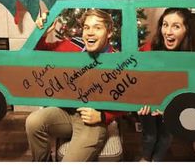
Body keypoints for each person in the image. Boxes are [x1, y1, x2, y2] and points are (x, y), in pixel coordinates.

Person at [26, 9, 125, 162]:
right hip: (67, 113)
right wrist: (42, 32)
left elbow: (129, 101)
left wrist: (103, 116)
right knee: (33, 122)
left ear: (109, 32)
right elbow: (40, 52)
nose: (90, 32)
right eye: (86, 27)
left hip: (93, 121)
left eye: (97, 27)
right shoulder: (73, 45)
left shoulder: (118, 61)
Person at [138, 7, 195, 162]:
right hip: (147, 105)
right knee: (150, 135)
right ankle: (145, 158)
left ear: (187, 30)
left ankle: (156, 161)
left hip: (173, 109)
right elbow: (136, 78)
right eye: (165, 25)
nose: (167, 32)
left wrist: (173, 108)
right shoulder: (149, 48)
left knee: (166, 137)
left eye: (176, 26)